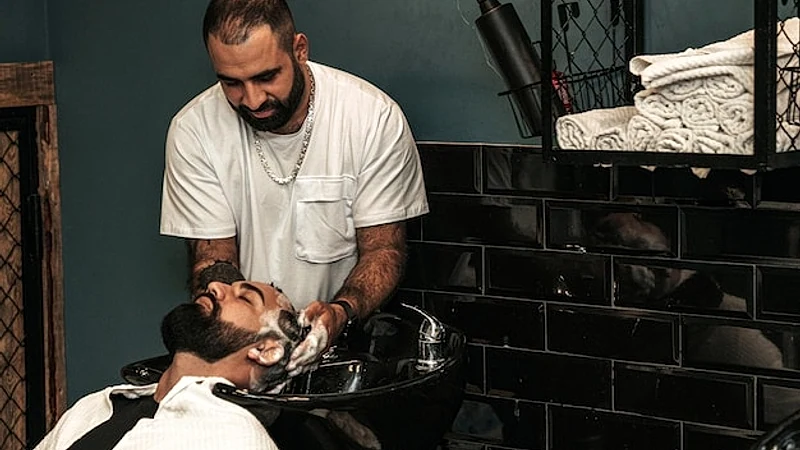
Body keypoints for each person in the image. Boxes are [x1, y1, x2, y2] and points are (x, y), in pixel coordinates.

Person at [159, 0, 429, 378]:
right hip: (247, 357)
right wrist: (255, 337)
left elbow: (384, 250)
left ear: (299, 49)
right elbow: (212, 260)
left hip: (350, 352)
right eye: (231, 83)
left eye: (267, 77)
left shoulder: (371, 118)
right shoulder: (194, 130)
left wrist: (340, 313)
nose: (252, 99)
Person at [34, 280, 303, 450]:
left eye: (245, 298)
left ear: (266, 351)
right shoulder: (94, 407)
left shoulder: (237, 440)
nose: (214, 286)